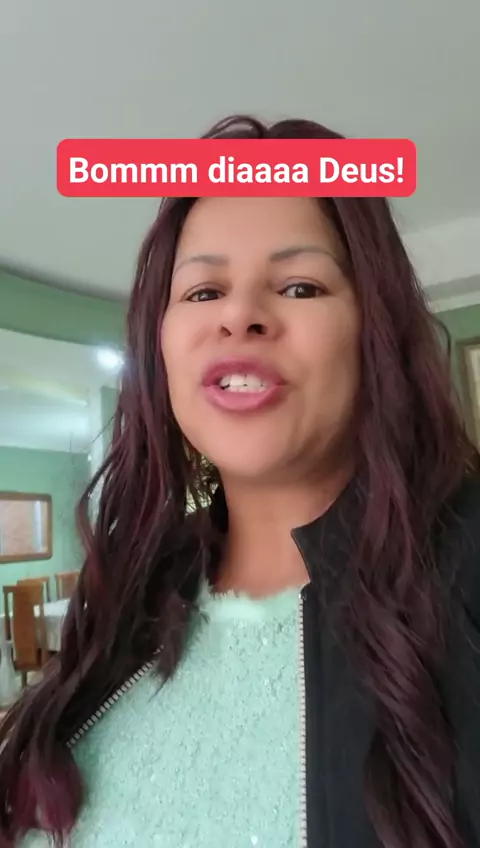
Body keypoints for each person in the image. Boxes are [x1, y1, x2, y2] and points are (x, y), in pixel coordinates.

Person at [1, 114, 480, 848]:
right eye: (202, 292)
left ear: (375, 332)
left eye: (299, 286)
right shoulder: (127, 597)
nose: (240, 316)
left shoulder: (464, 581)